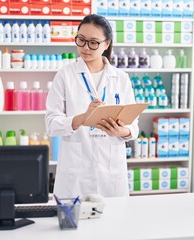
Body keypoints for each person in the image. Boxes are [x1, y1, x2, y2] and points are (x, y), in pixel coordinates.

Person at [45, 14, 139, 198]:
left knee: (114, 223)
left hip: (111, 174)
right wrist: (83, 117)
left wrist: (122, 132)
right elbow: (51, 125)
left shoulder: (121, 78)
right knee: (73, 224)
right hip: (76, 175)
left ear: (107, 44)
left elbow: (134, 127)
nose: (85, 47)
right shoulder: (65, 75)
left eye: (94, 42)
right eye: (81, 40)